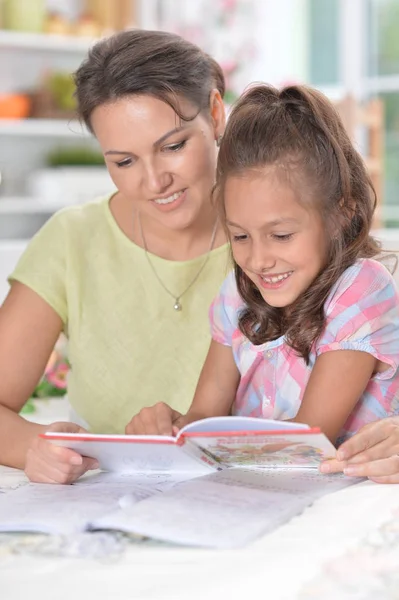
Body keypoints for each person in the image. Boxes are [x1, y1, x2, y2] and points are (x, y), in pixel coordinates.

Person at [0, 29, 230, 483]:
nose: (153, 181)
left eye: (173, 146)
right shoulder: (73, 240)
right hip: (113, 506)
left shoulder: (279, 239)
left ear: (217, 114)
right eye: (124, 162)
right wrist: (33, 447)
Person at [128, 83, 399, 463]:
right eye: (240, 236)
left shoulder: (361, 290)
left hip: (338, 502)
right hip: (258, 492)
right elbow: (204, 416)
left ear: (343, 213)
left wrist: (207, 445)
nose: (258, 260)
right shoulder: (235, 296)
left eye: (281, 235)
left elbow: (309, 440)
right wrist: (169, 431)